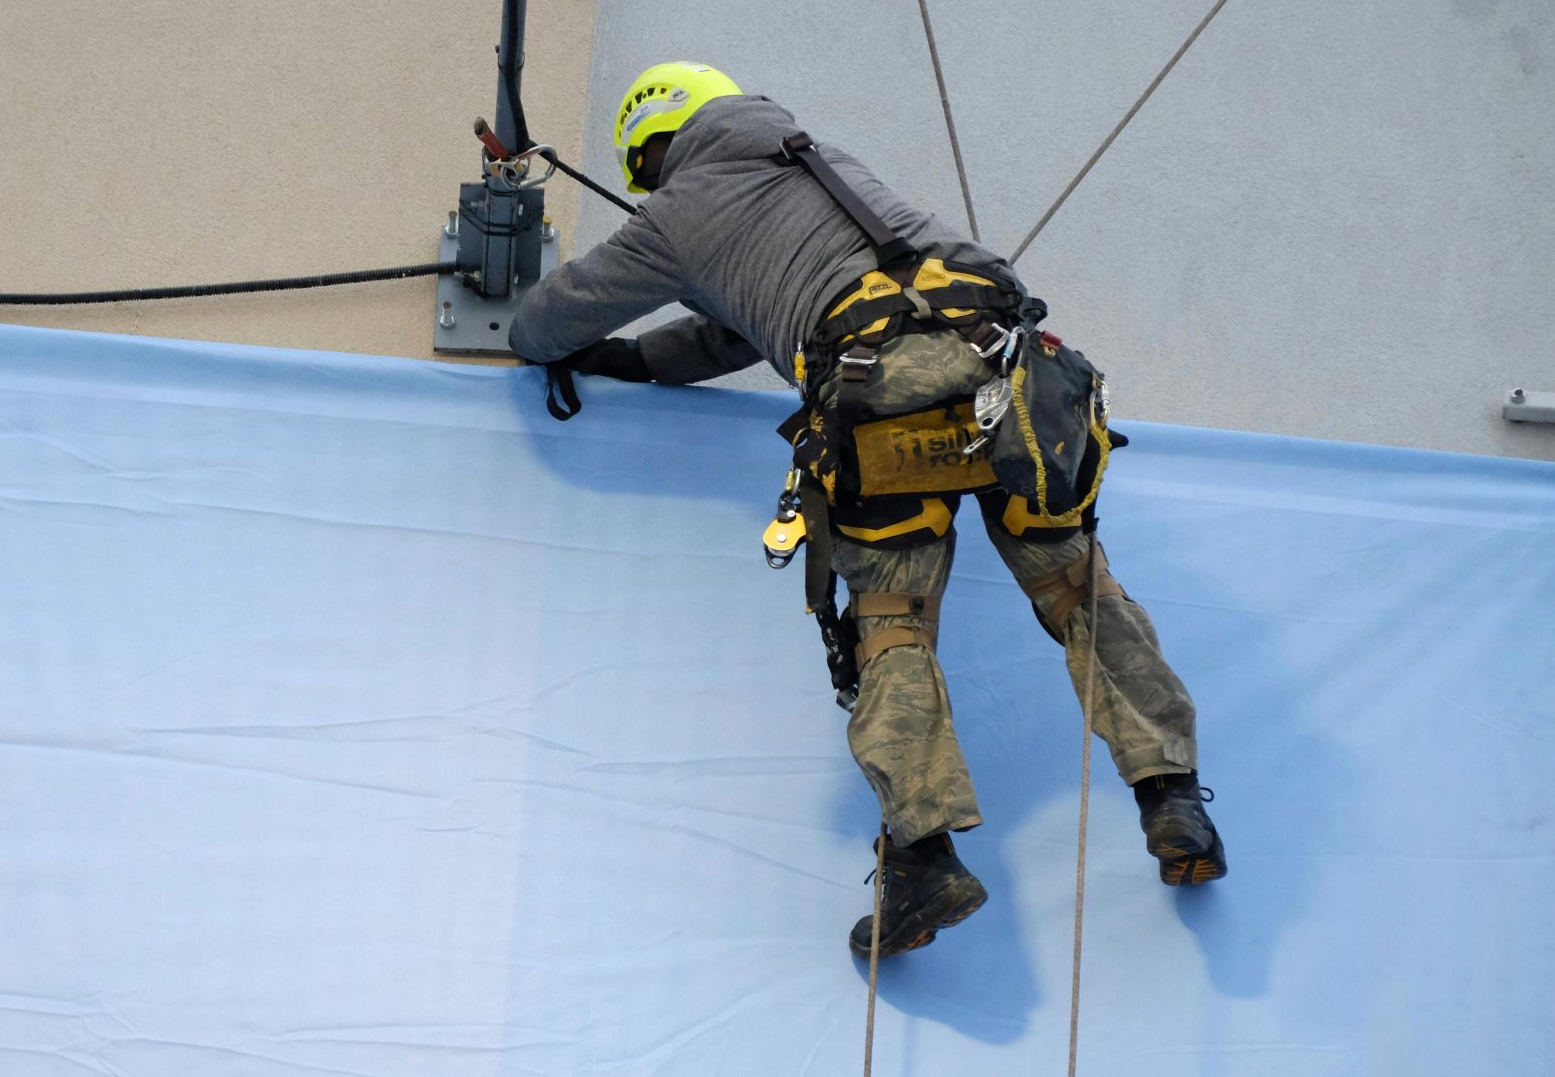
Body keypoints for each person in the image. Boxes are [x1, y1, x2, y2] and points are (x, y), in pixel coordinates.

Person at [508, 62, 1225, 959]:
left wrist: (581, 346)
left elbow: (544, 325)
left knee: (893, 626)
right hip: (1008, 365)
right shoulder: (814, 160)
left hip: (878, 387)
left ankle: (923, 857)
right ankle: (1174, 798)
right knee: (1080, 585)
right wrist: (645, 360)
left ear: (654, 148)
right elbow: (737, 325)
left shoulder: (677, 212)